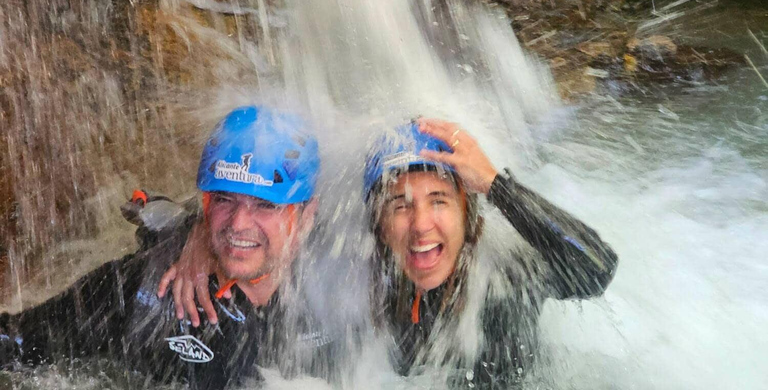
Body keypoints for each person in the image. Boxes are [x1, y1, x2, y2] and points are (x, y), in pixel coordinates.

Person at [0, 106, 336, 388]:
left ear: (307, 215)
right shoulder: (138, 291)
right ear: (205, 204)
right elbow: (12, 341)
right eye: (223, 199)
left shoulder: (340, 290)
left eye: (265, 205)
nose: (237, 224)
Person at [363, 118, 618, 388]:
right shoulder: (358, 291)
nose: (421, 225)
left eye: (438, 200)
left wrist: (495, 185)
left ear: (466, 216)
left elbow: (597, 270)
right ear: (379, 226)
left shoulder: (505, 274)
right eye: (400, 206)